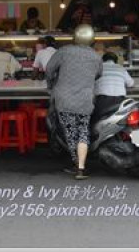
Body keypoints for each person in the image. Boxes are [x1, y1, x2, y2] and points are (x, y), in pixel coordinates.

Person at [45, 23, 103, 180]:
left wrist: (51, 84)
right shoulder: (96, 56)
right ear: (91, 39)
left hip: (64, 99)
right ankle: (82, 167)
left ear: (74, 37)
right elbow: (98, 75)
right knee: (83, 130)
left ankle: (77, 166)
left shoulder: (64, 51)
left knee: (71, 133)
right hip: (85, 99)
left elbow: (49, 69)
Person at [92, 52, 134, 122]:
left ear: (102, 60)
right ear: (115, 61)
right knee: (119, 121)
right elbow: (131, 84)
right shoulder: (121, 68)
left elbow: (91, 83)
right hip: (119, 100)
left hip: (103, 101)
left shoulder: (98, 68)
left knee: (96, 120)